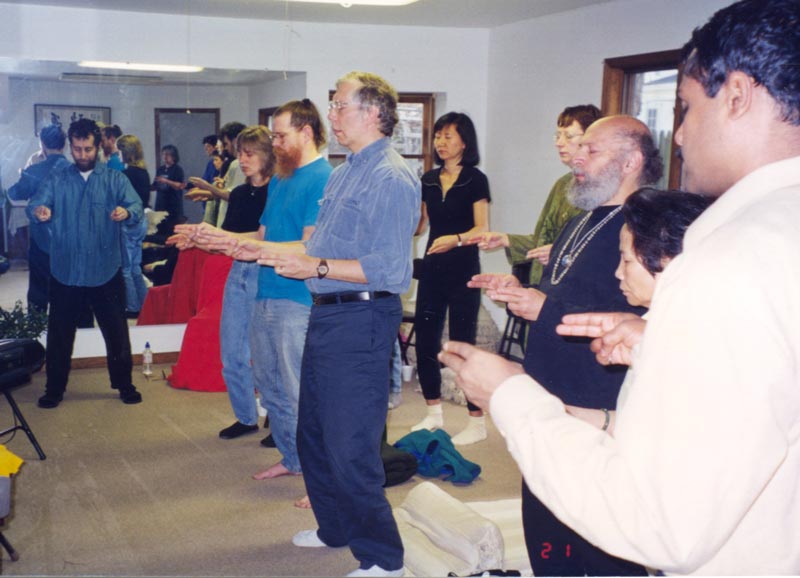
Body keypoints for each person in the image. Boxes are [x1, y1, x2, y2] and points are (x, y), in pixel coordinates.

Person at [440, 0, 800, 574]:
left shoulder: (732, 255)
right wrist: (657, 341)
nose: (679, 135)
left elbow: (659, 523)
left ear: (736, 95)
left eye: (687, 107)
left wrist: (509, 393)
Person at [469, 114, 662, 576]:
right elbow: (569, 293)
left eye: (591, 150)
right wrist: (524, 295)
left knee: (600, 537)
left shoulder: (650, 225)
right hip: (550, 384)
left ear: (631, 161)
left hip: (599, 393)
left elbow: (647, 316)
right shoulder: (581, 220)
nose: (576, 157)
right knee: (546, 526)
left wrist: (547, 309)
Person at [250, 72, 418, 578]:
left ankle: (384, 558)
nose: (332, 115)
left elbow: (390, 270)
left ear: (373, 113)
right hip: (328, 312)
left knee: (350, 446)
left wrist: (315, 267)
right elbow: (317, 246)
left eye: (341, 105)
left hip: (363, 317)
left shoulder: (392, 177)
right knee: (314, 433)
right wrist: (258, 250)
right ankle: (335, 528)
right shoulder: (345, 172)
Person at [191, 101, 332, 495]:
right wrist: (218, 238)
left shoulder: (323, 178)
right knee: (270, 387)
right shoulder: (282, 179)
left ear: (306, 133)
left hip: (297, 299)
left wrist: (247, 247)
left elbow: (307, 246)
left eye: (280, 136)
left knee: (297, 390)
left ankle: (320, 477)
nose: (275, 143)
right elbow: (262, 237)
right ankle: (293, 458)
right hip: (264, 292)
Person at [564, 187, 713, 433]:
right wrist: (565, 414)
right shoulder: (654, 325)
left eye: (627, 260)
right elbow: (638, 425)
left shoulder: (702, 343)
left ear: (668, 261)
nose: (618, 273)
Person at [27, 118, 143, 409]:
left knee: (117, 333)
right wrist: (39, 211)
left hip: (105, 269)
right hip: (65, 270)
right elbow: (35, 204)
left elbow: (136, 206)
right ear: (70, 146)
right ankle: (54, 389)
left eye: (87, 149)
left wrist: (126, 212)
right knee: (59, 335)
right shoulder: (57, 178)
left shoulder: (115, 179)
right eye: (77, 149)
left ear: (98, 146)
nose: (82, 155)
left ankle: (125, 385)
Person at [410, 112, 491, 445]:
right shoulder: (428, 179)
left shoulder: (476, 179)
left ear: (464, 142)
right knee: (426, 341)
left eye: (448, 136)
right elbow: (420, 225)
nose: (441, 142)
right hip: (433, 269)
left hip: (464, 270)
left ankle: (476, 421)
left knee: (462, 344)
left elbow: (482, 229)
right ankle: (433, 413)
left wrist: (456, 240)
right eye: (438, 136)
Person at [473, 105, 601, 286]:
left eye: (569, 136)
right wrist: (505, 239)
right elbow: (543, 240)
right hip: (548, 283)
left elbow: (598, 249)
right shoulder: (563, 184)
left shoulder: (605, 189)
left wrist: (560, 253)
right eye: (558, 135)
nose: (559, 143)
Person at [7, 124, 71, 313]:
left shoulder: (35, 170)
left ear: (42, 144)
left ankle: (38, 325)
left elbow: (15, 193)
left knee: (39, 288)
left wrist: (24, 173)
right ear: (65, 144)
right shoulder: (75, 170)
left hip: (42, 238)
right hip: (70, 238)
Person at [117, 134, 152, 317]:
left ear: (126, 152)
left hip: (129, 222)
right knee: (136, 267)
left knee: (126, 269)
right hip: (141, 221)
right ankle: (145, 305)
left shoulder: (126, 175)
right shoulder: (143, 172)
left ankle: (132, 307)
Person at [190, 122, 246, 227]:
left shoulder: (238, 164)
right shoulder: (234, 164)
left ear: (235, 141)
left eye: (226, 144)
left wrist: (207, 187)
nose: (225, 148)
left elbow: (232, 196)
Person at [152, 144, 185, 227]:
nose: (164, 156)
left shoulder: (177, 169)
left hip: (172, 206)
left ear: (173, 156)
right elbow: (155, 185)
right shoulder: (160, 169)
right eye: (163, 154)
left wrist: (166, 181)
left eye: (167, 154)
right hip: (160, 204)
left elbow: (179, 185)